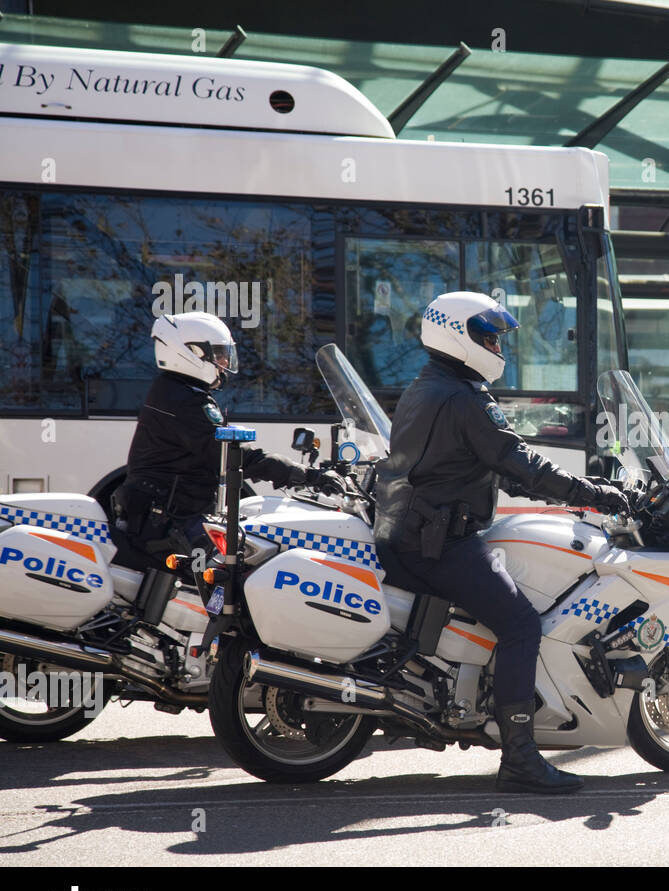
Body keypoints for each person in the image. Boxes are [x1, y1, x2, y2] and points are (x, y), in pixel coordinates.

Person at [372, 290, 628, 795]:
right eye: (488, 336)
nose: (496, 346)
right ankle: (520, 759)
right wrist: (601, 495)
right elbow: (521, 465)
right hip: (440, 543)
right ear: (457, 334)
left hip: (410, 532)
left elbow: (483, 465)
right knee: (520, 624)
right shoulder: (465, 399)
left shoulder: (428, 386)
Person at [112, 311, 334, 569]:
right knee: (241, 571)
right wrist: (304, 474)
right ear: (191, 353)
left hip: (166, 515)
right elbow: (231, 454)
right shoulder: (183, 400)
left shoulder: (176, 391)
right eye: (218, 354)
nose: (224, 361)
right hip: (168, 523)